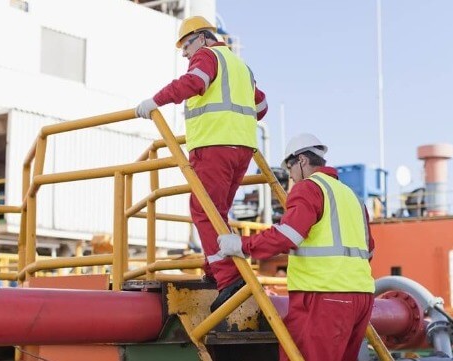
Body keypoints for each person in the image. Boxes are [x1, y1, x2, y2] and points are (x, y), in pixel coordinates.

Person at [134, 16, 268, 311]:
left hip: (214, 146)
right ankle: (214, 269)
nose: (184, 53)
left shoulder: (207, 56)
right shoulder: (241, 67)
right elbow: (261, 107)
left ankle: (228, 277)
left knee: (203, 210)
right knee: (216, 212)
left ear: (204, 38)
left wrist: (154, 101)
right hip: (242, 148)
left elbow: (194, 82)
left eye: (186, 45)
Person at [217, 133, 375, 361]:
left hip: (324, 296)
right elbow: (369, 250)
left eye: (290, 168)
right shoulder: (352, 196)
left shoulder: (309, 188)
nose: (290, 176)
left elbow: (288, 235)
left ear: (301, 160)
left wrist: (241, 245)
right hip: (362, 298)